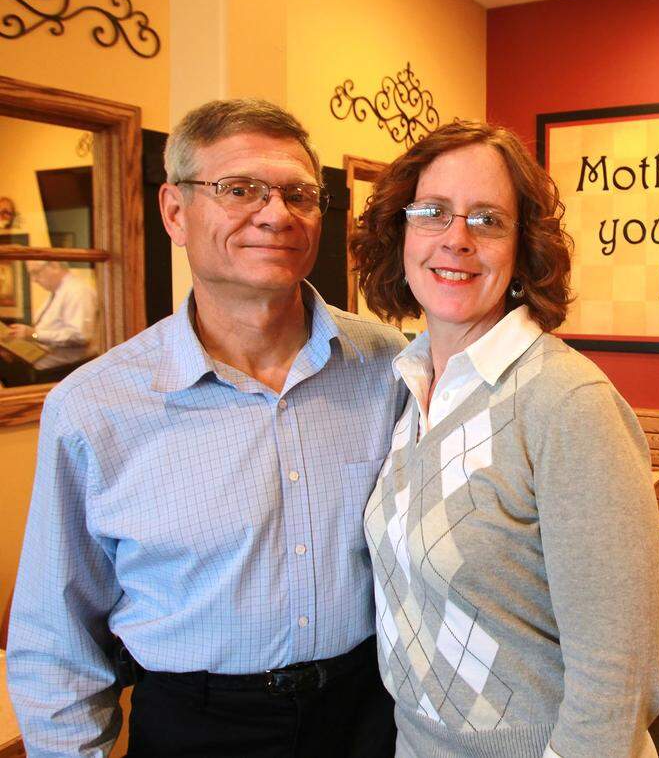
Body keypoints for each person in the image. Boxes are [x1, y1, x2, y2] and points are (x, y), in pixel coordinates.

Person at [7, 99, 405, 758]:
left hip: (369, 713)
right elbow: (57, 635)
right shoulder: (95, 407)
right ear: (174, 212)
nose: (276, 214)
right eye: (239, 189)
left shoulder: (386, 366)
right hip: (200, 726)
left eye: (299, 194)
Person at [352, 121, 659, 758]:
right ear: (401, 233)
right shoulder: (406, 384)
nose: (456, 239)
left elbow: (618, 681)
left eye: (488, 220)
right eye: (432, 212)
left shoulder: (568, 404)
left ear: (523, 251)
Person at [8, 261, 98, 347]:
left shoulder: (77, 291)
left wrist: (34, 334)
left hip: (75, 363)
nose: (33, 280)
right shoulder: (58, 292)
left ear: (54, 266)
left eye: (36, 272)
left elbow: (80, 336)